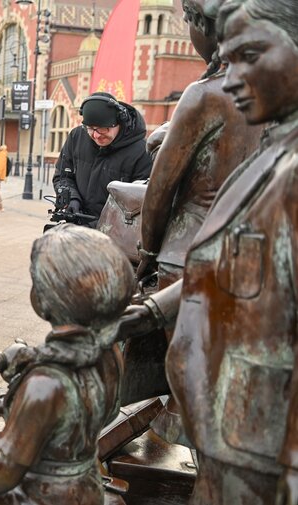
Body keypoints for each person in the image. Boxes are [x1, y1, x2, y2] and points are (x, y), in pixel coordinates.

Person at [118, 0, 298, 502]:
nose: (233, 75)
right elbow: (224, 264)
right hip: (226, 433)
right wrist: (152, 310)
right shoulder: (276, 154)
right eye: (229, 58)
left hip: (258, 439)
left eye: (251, 56)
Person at [0, 224, 134, 505]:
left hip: (46, 493)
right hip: (85, 480)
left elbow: (7, 470)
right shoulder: (110, 352)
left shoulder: (45, 383)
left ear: (45, 301)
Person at [136, 0, 262, 288]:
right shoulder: (274, 96)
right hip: (253, 258)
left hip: (189, 254)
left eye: (188, 21)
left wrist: (148, 252)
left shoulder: (205, 95)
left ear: (204, 26)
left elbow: (159, 191)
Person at [53, 92, 152, 227]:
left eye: (103, 129)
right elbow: (62, 176)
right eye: (90, 128)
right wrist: (72, 199)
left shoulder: (142, 152)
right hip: (76, 226)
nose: (96, 135)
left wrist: (98, 226)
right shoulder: (77, 137)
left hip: (114, 234)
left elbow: (139, 204)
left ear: (119, 122)